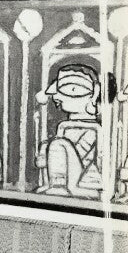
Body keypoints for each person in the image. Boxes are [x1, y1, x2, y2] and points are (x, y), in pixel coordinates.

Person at [35, 63, 102, 197]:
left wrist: (56, 150)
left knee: (57, 144)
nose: (57, 96)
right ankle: (53, 183)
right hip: (69, 171)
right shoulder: (65, 126)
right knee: (50, 145)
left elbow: (81, 155)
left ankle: (59, 185)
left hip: (82, 175)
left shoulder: (93, 129)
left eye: (71, 89)